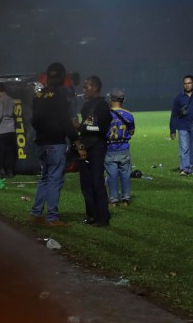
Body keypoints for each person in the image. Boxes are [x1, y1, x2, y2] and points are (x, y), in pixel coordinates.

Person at [29, 62, 78, 227]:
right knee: (55, 180)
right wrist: (75, 138)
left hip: (41, 143)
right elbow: (65, 122)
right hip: (55, 144)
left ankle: (36, 214)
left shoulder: (38, 95)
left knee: (44, 178)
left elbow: (33, 120)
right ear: (63, 77)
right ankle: (52, 217)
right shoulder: (59, 96)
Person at [75, 75, 112, 226]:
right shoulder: (86, 105)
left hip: (97, 146)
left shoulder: (102, 105)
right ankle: (91, 215)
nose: (84, 90)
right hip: (85, 146)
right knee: (86, 182)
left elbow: (101, 129)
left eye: (86, 87)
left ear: (95, 88)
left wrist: (81, 127)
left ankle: (103, 217)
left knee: (96, 181)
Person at [169, 75, 193, 176]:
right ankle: (185, 169)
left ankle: (190, 166)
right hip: (182, 126)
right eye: (185, 83)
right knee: (184, 148)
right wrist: (172, 130)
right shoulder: (178, 98)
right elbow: (174, 114)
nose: (187, 85)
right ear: (183, 84)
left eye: (189, 83)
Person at [104, 88, 135, 207]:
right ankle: (125, 199)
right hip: (124, 148)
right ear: (123, 99)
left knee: (111, 175)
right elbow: (131, 132)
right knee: (125, 174)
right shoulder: (129, 115)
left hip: (110, 148)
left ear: (110, 99)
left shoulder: (106, 114)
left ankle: (113, 200)